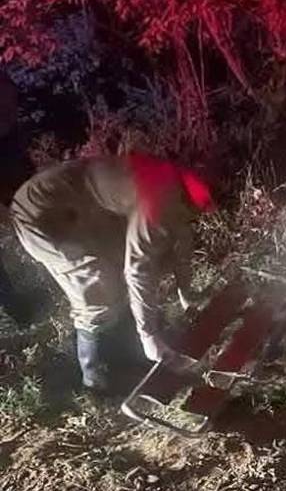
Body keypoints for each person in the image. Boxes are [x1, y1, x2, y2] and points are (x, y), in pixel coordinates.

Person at [9, 153, 215, 395]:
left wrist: (186, 291)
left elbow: (181, 237)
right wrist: (149, 335)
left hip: (80, 207)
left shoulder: (177, 183)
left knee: (117, 267)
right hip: (40, 216)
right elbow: (138, 270)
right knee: (96, 291)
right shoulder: (156, 204)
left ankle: (130, 355)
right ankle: (97, 382)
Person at [0, 71, 35, 326]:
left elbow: (22, 167)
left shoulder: (12, 134)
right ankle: (15, 308)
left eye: (12, 105)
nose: (10, 112)